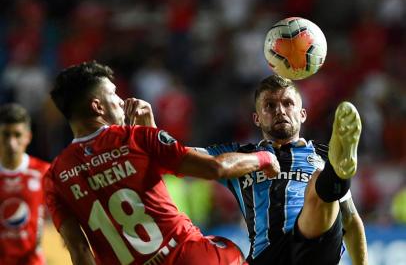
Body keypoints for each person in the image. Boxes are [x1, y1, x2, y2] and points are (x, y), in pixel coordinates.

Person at [43, 61, 281, 265]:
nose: (120, 99)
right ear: (97, 106)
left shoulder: (55, 177)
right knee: (236, 251)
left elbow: (80, 251)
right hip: (187, 256)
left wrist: (149, 129)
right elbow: (215, 168)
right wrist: (264, 157)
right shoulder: (136, 138)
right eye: (114, 94)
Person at [202, 74, 368, 265]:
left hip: (314, 246)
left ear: (303, 114)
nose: (280, 111)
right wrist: (159, 139)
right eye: (270, 106)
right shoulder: (240, 155)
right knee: (321, 182)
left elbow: (351, 220)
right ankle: (338, 174)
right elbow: (181, 155)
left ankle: (340, 171)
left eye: (288, 103)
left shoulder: (322, 155)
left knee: (318, 185)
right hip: (267, 257)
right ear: (256, 118)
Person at [0, 103, 50, 265]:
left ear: (28, 137)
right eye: (5, 135)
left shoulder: (44, 172)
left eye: (17, 135)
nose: (11, 142)